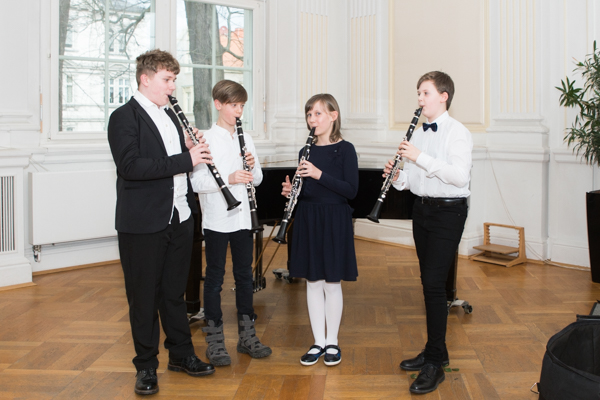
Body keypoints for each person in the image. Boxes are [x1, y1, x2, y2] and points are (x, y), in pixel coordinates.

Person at [107, 49, 216, 396]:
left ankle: (181, 355)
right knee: (143, 298)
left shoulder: (170, 116)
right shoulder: (123, 117)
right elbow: (131, 167)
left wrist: (187, 147)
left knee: (174, 294)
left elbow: (169, 161)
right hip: (143, 222)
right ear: (146, 78)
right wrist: (187, 158)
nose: (172, 87)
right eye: (167, 79)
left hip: (179, 216)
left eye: (174, 80)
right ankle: (146, 366)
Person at [385, 71, 472, 394]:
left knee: (434, 284)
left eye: (425, 93)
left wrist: (419, 156)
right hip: (422, 210)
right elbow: (412, 181)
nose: (420, 99)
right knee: (429, 282)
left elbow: (459, 176)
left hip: (449, 212)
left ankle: (435, 362)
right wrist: (397, 177)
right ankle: (436, 350)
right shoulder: (419, 134)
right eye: (418, 93)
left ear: (443, 96)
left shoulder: (458, 132)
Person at [189, 80, 271, 367]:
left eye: (242, 106)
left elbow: (258, 179)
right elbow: (197, 182)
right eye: (233, 105)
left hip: (242, 218)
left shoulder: (245, 138)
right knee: (214, 279)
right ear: (218, 104)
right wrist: (229, 177)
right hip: (216, 219)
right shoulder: (205, 139)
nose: (238, 111)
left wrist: (251, 168)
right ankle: (214, 340)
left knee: (245, 277)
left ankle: (247, 337)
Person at [281, 93, 359, 367]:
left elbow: (351, 190)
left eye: (318, 113)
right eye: (309, 114)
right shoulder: (306, 151)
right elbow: (307, 190)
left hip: (335, 218)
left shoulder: (345, 149)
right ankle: (318, 342)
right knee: (312, 281)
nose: (312, 119)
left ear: (333, 116)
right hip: (309, 218)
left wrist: (318, 174)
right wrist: (292, 192)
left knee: (332, 282)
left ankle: (332, 341)